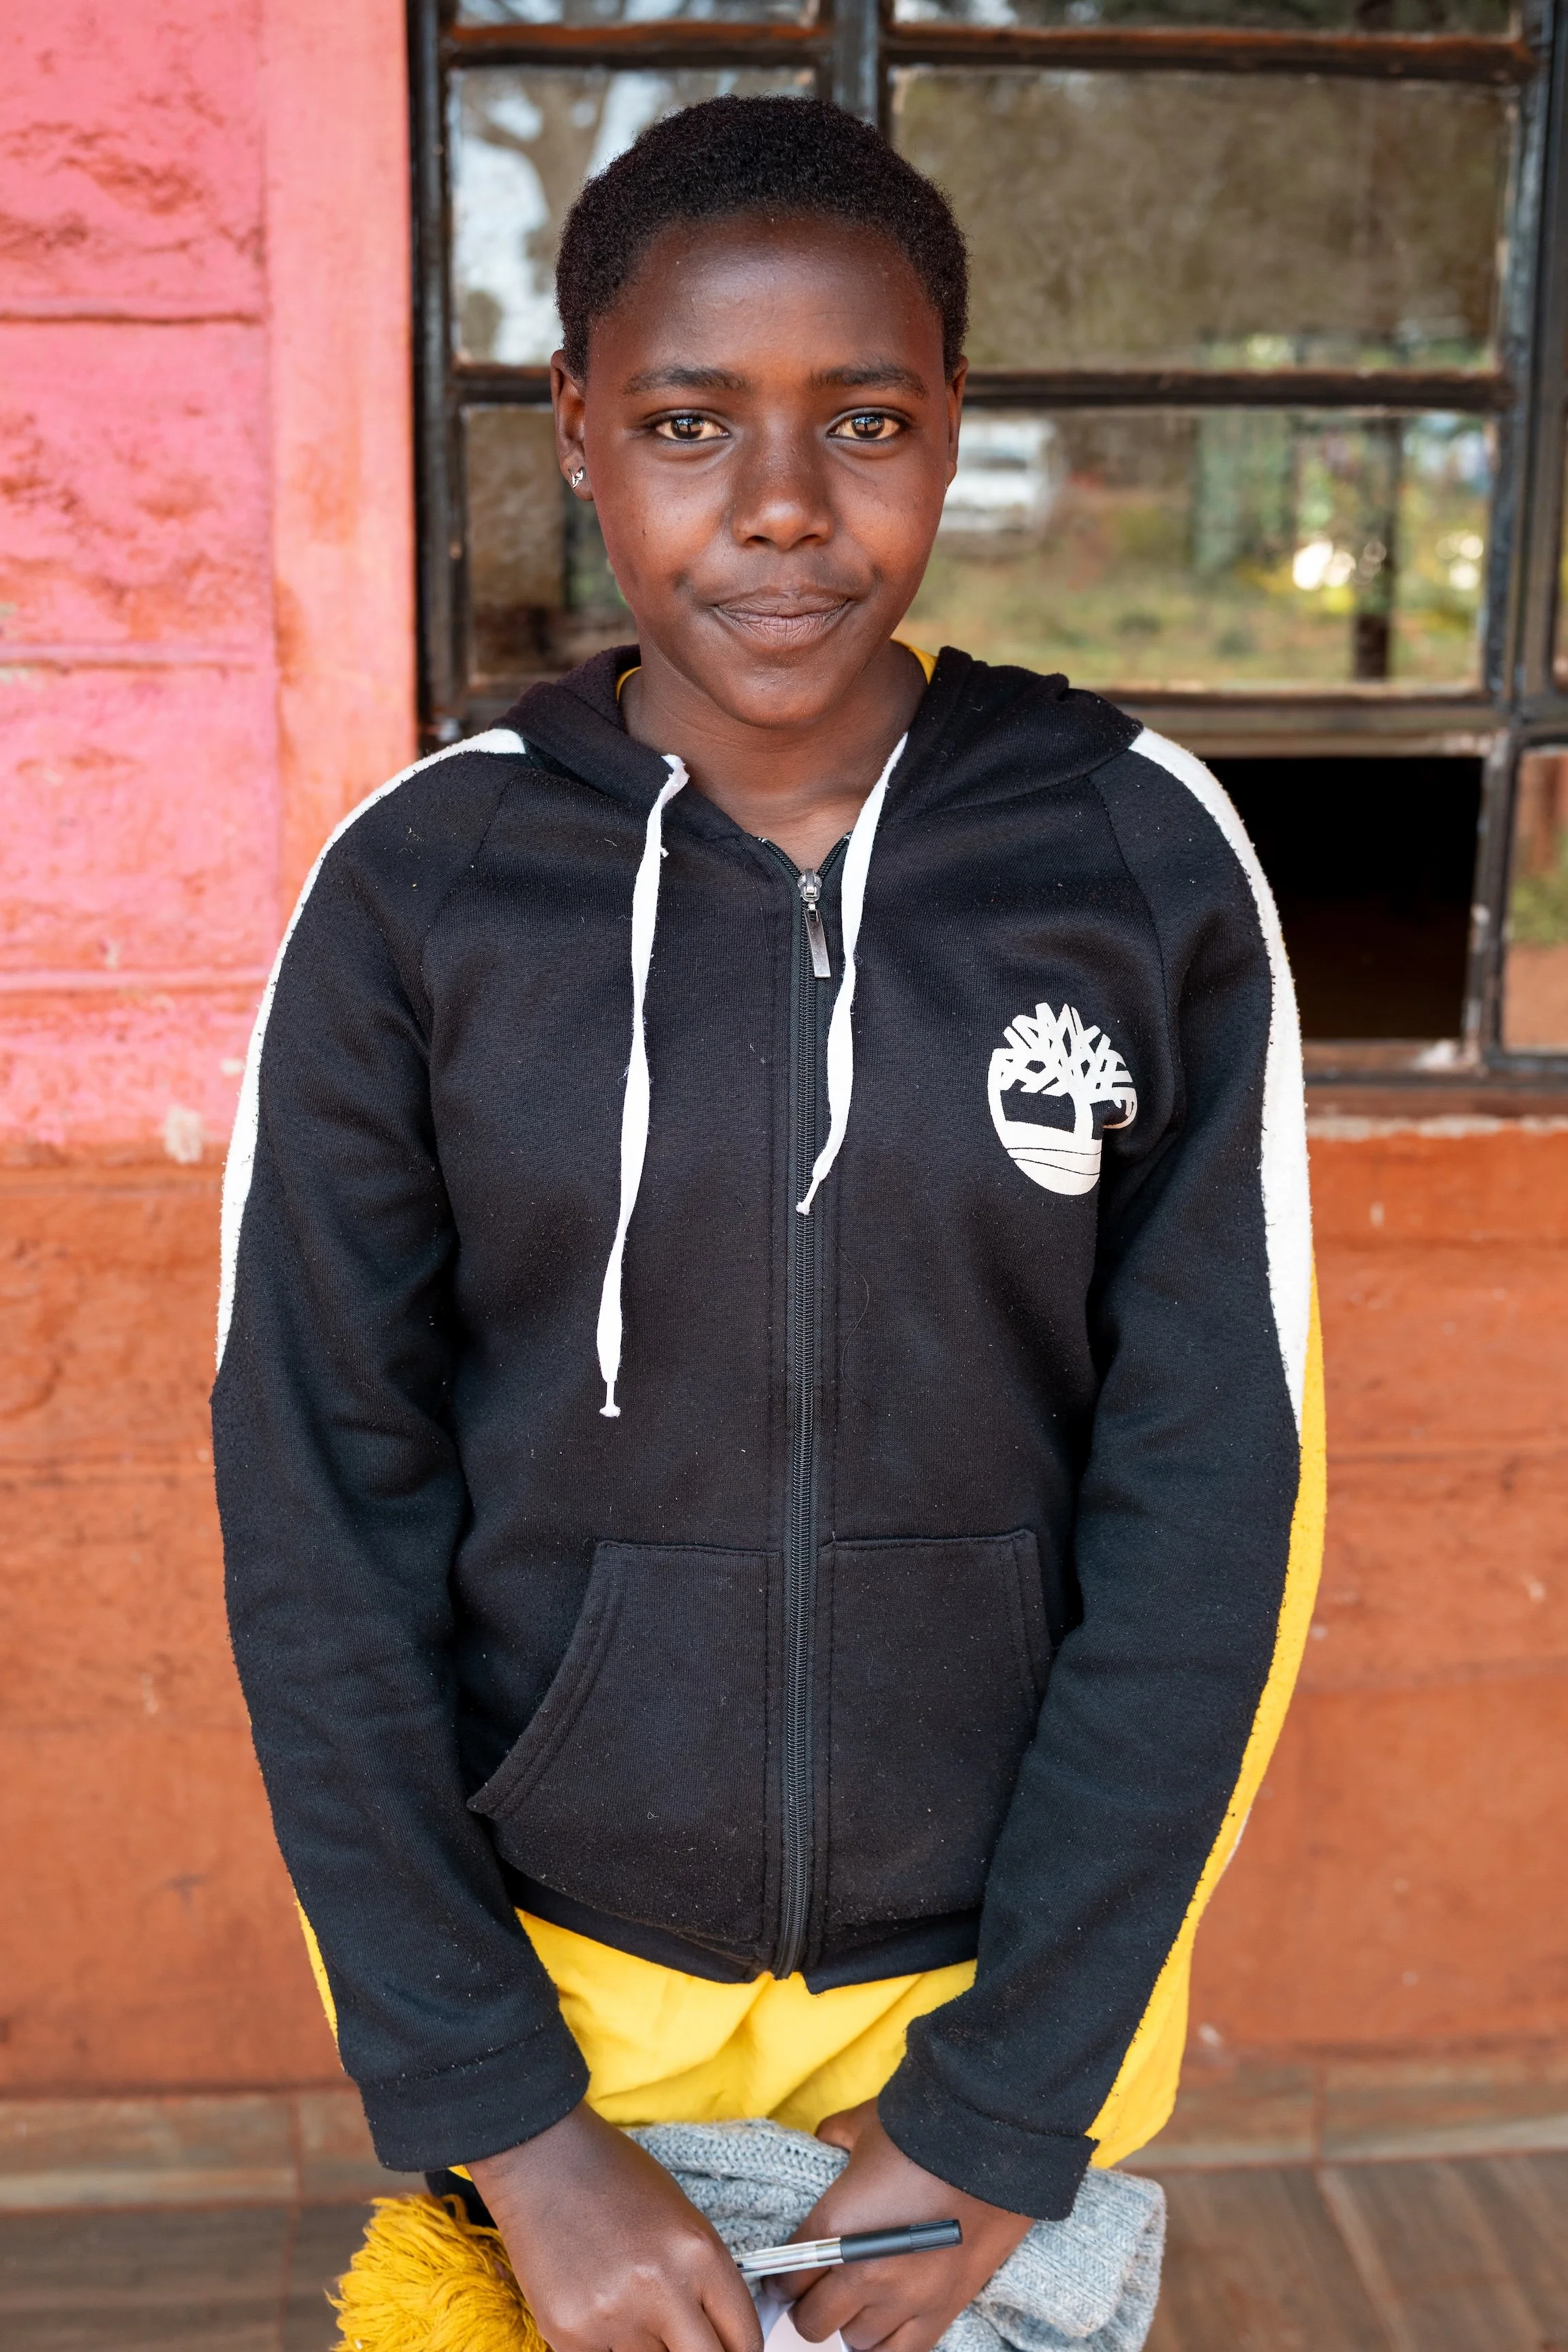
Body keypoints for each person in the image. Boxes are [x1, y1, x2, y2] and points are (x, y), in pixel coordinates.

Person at [214, 94, 1323, 2352]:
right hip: (569, 2017)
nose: (785, 507)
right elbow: (318, 1514)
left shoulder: (1134, 861)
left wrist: (1005, 2105)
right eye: (689, 422)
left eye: (867, 421)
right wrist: (513, 2126)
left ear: (951, 426)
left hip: (989, 2012)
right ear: (578, 431)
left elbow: (1220, 1500)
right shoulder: (423, 893)